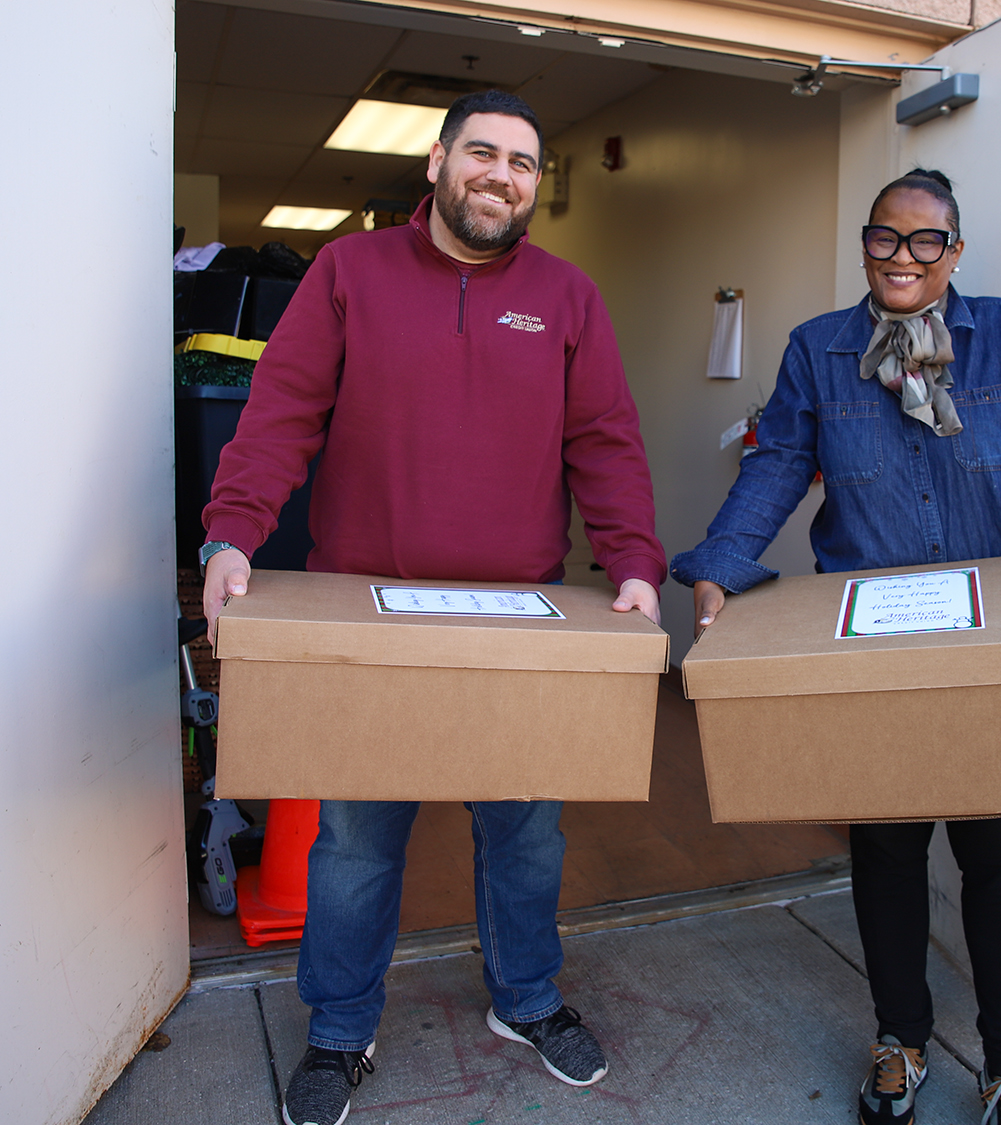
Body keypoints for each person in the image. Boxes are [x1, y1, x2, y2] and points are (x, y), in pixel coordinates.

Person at [198, 90, 665, 1125]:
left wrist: (633, 557)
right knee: (358, 843)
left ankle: (526, 1000)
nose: (502, 176)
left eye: (524, 164)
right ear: (438, 163)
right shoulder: (348, 274)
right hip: (374, 620)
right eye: (484, 154)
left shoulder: (566, 297)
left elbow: (605, 441)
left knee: (526, 836)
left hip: (521, 625)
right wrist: (231, 533)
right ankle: (339, 1029)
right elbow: (282, 412)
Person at [670, 169, 1001, 1125]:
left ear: (955, 253)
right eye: (885, 238)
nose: (903, 255)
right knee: (887, 855)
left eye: (924, 240)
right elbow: (777, 466)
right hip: (872, 651)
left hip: (992, 644)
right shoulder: (820, 349)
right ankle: (900, 1040)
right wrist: (720, 562)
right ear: (865, 247)